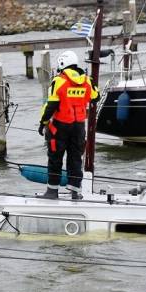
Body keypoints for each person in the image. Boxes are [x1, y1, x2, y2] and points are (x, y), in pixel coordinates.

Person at [37, 50, 99, 200]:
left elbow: (50, 105)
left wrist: (42, 122)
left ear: (62, 63)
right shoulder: (87, 80)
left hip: (60, 126)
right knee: (75, 158)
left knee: (55, 158)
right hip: (79, 127)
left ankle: (52, 191)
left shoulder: (59, 80)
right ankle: (75, 192)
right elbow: (95, 97)